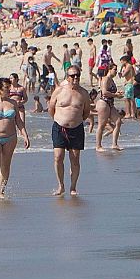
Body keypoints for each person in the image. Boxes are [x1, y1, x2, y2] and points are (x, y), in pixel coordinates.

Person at [48, 68, 90, 197]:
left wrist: (75, 120)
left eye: (78, 75)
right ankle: (61, 185)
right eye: (73, 76)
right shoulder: (59, 90)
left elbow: (86, 112)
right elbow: (51, 108)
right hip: (59, 128)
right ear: (67, 76)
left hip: (76, 128)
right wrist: (60, 119)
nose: (75, 78)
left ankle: (73, 186)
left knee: (75, 159)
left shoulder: (83, 93)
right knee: (58, 157)